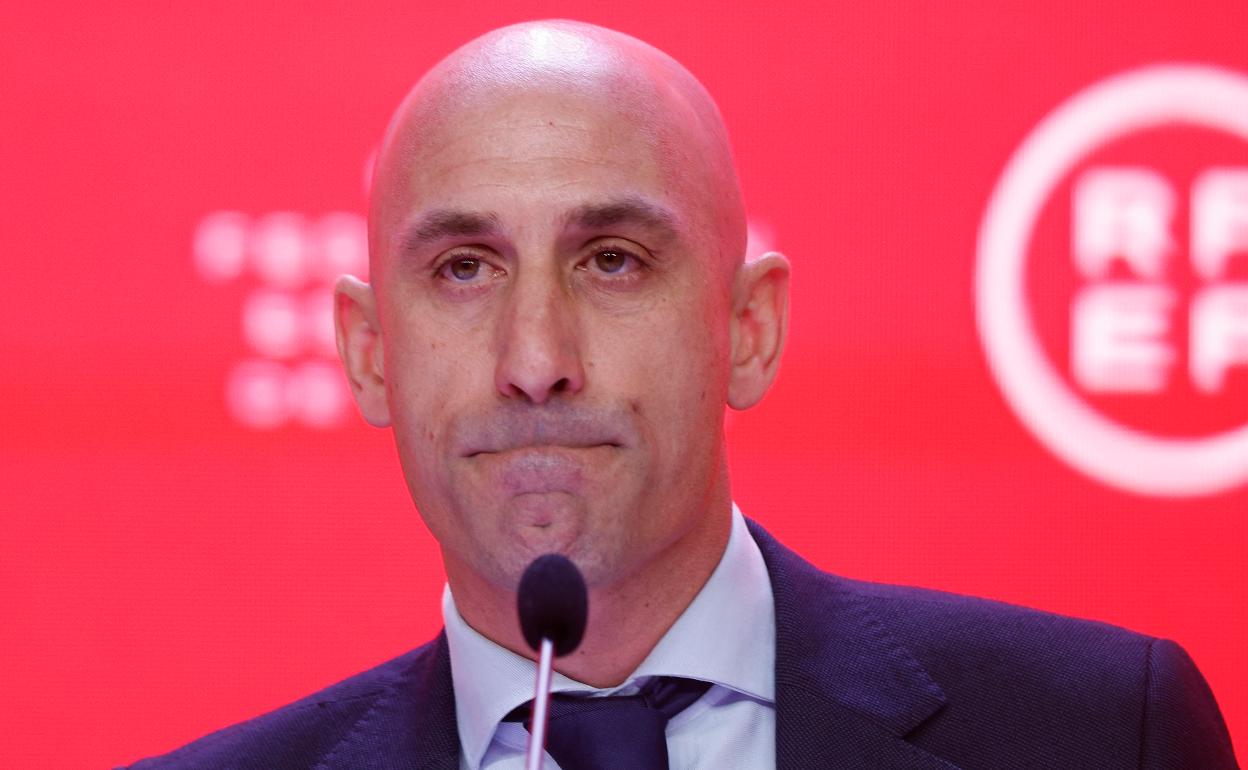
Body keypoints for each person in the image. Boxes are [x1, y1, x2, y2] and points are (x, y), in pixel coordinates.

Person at [122, 20, 1238, 770]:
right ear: (369, 354)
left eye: (612, 260)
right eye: (463, 269)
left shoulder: (1100, 731)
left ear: (749, 330)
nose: (535, 358)